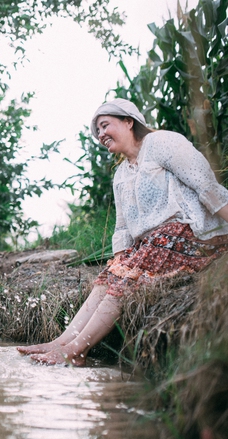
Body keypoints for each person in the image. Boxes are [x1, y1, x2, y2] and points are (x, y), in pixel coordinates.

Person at [17, 98, 228, 366]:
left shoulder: (162, 143)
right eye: (97, 132)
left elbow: (205, 185)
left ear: (129, 121)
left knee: (136, 265)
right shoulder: (121, 174)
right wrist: (120, 264)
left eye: (105, 126)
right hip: (156, 244)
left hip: (193, 235)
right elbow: (123, 228)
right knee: (110, 276)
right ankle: (62, 341)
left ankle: (76, 350)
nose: (101, 135)